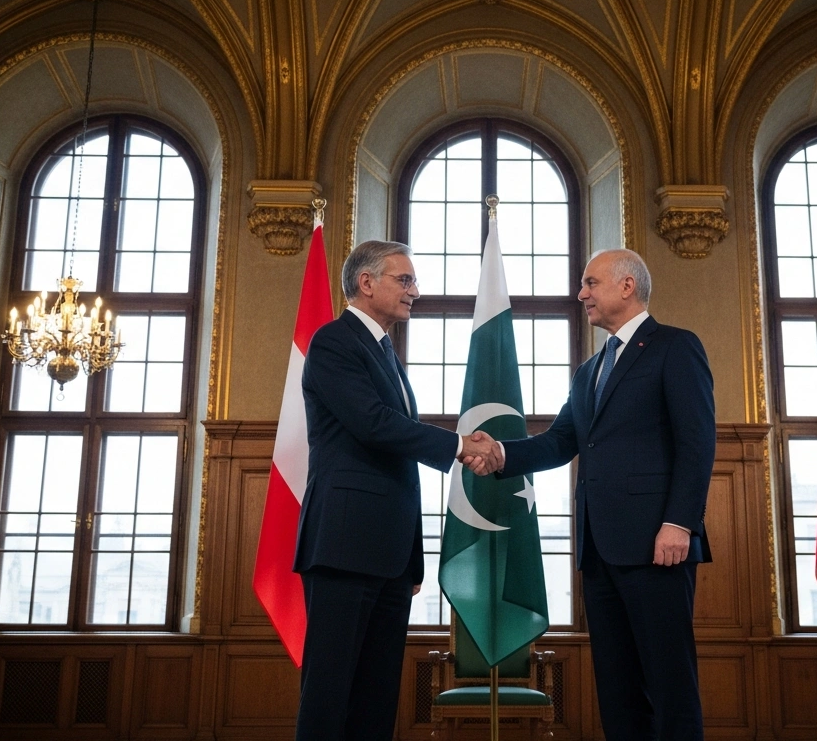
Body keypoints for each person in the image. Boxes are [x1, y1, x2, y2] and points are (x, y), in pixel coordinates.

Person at [476, 248, 715, 740]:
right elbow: (560, 442)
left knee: (669, 682)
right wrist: (500, 453)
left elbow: (697, 443)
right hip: (600, 550)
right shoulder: (589, 370)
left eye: (590, 282)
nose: (581, 293)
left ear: (627, 286)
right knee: (618, 685)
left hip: (658, 546)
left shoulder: (675, 346)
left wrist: (679, 523)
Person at [292, 239, 502, 740]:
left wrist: (411, 559)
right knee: (328, 693)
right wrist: (457, 446)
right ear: (366, 283)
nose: (416, 292)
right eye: (404, 280)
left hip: (387, 556)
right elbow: (373, 425)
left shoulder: (384, 351)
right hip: (343, 548)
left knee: (376, 697)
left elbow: (398, 462)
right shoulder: (335, 342)